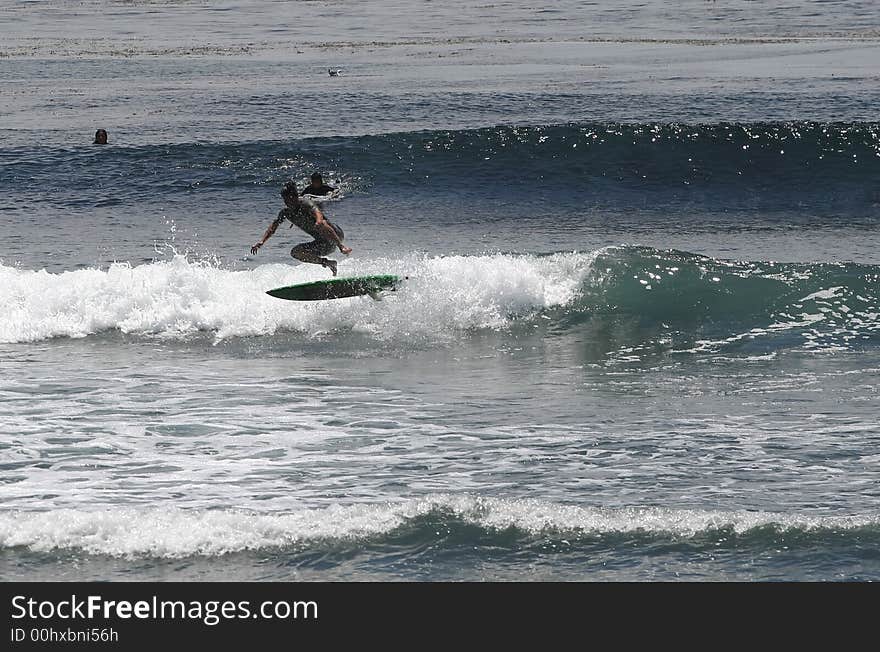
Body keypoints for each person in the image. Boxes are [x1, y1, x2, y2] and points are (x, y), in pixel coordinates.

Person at [250, 181, 351, 276]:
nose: (287, 202)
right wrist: (261, 242)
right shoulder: (286, 213)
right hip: (324, 245)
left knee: (322, 224)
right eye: (285, 200)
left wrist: (318, 220)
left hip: (335, 234)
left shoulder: (305, 203)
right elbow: (273, 227)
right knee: (296, 252)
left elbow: (317, 212)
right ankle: (328, 263)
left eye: (289, 199)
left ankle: (341, 247)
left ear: (295, 197)